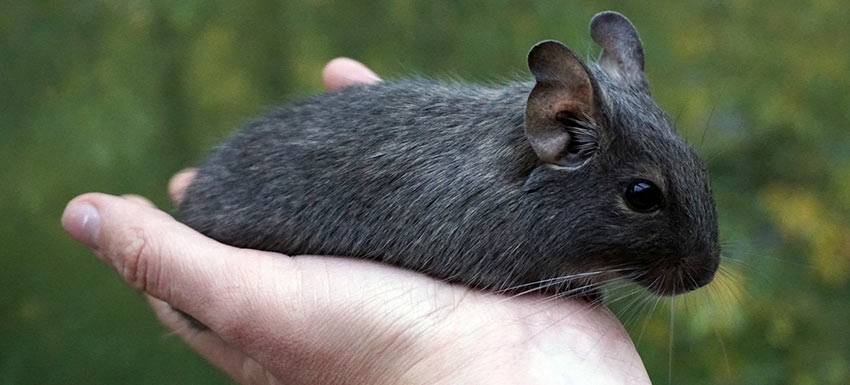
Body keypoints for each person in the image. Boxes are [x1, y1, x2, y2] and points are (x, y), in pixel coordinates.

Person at [61, 58, 651, 385]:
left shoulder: (517, 202)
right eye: (643, 197)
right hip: (236, 211)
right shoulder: (499, 213)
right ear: (561, 128)